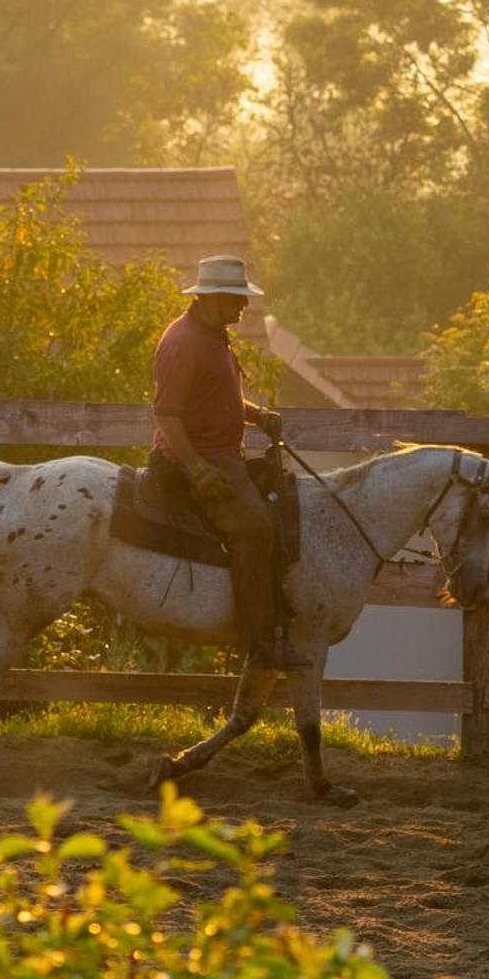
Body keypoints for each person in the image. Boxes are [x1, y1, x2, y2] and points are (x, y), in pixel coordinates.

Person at [147, 254, 308, 671]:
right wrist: (199, 471)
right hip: (199, 460)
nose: (244, 307)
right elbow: (167, 415)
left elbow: (216, 397)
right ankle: (261, 644)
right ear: (212, 297)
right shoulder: (185, 342)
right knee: (256, 530)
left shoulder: (211, 335)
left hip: (218, 456)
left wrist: (256, 414)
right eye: (237, 298)